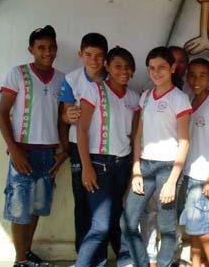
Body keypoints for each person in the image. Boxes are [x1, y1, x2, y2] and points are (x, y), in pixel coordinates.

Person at [0, 25, 68, 267]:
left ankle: (26, 254)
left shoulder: (62, 79)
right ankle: (20, 260)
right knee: (20, 208)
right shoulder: (17, 74)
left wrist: (63, 150)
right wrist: (14, 149)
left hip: (48, 152)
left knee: (37, 206)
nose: (47, 52)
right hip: (23, 152)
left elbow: (62, 118)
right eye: (41, 47)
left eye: (51, 47)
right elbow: (2, 114)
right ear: (31, 49)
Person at [121, 46, 191, 267]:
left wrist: (172, 181)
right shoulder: (146, 96)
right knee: (128, 222)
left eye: (161, 67)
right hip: (146, 166)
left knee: (167, 225)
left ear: (172, 68)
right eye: (151, 68)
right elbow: (138, 136)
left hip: (169, 167)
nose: (156, 72)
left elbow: (184, 142)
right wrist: (136, 171)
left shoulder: (180, 99)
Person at [75, 47, 139, 267]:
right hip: (98, 164)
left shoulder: (134, 97)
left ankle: (122, 261)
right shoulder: (94, 91)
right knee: (100, 225)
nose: (123, 71)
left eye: (127, 67)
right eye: (117, 66)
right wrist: (86, 167)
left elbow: (135, 136)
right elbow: (81, 129)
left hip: (122, 165)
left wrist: (134, 169)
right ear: (107, 67)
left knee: (117, 219)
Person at [58, 32, 108, 254]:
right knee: (82, 204)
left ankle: (102, 255)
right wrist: (67, 116)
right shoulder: (71, 79)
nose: (93, 60)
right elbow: (64, 115)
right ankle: (83, 256)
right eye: (88, 55)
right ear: (80, 54)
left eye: (99, 56)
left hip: (106, 150)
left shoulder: (113, 77)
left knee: (105, 208)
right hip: (79, 149)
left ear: (105, 57)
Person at [179, 58, 209, 267]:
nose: (196, 80)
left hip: (203, 175)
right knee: (194, 225)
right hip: (187, 173)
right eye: (192, 75)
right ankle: (196, 263)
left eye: (202, 75)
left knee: (203, 227)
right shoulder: (187, 100)